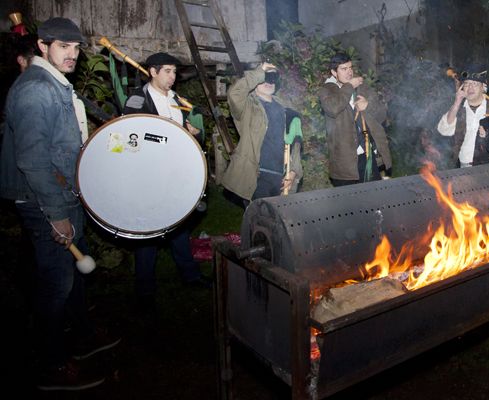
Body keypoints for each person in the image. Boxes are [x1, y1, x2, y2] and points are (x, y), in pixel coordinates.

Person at [0, 17, 120, 390]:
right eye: (63, 47)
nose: (72, 54)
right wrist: (55, 215)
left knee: (74, 275)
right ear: (42, 46)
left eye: (76, 48)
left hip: (64, 193)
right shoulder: (36, 90)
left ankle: (81, 334)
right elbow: (33, 161)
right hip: (44, 200)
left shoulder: (56, 83)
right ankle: (50, 364)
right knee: (56, 284)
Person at [122, 52, 211, 310]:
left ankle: (190, 275)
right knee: (148, 230)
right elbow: (133, 137)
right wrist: (169, 134)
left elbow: (187, 135)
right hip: (148, 176)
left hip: (175, 174)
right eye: (168, 72)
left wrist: (192, 132)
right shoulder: (138, 99)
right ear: (153, 71)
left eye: (174, 72)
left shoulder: (176, 100)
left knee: (179, 225)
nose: (173, 77)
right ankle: (145, 289)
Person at [222, 62, 302, 204]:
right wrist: (260, 71)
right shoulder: (247, 107)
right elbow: (234, 94)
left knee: (280, 222)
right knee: (260, 222)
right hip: (257, 176)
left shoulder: (286, 109)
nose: (268, 82)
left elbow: (295, 143)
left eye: (272, 78)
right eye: (264, 78)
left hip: (280, 176)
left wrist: (294, 171)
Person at [319, 52, 392, 186]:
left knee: (374, 202)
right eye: (344, 69)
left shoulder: (362, 88)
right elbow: (333, 108)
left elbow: (382, 114)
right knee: (349, 205)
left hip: (368, 156)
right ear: (334, 72)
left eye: (350, 68)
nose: (349, 72)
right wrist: (349, 86)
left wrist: (368, 106)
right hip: (344, 162)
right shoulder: (327, 90)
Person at [437, 64, 489, 167]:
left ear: (483, 87)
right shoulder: (459, 108)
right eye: (467, 84)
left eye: (475, 84)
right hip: (465, 167)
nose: (470, 88)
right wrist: (457, 102)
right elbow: (443, 129)